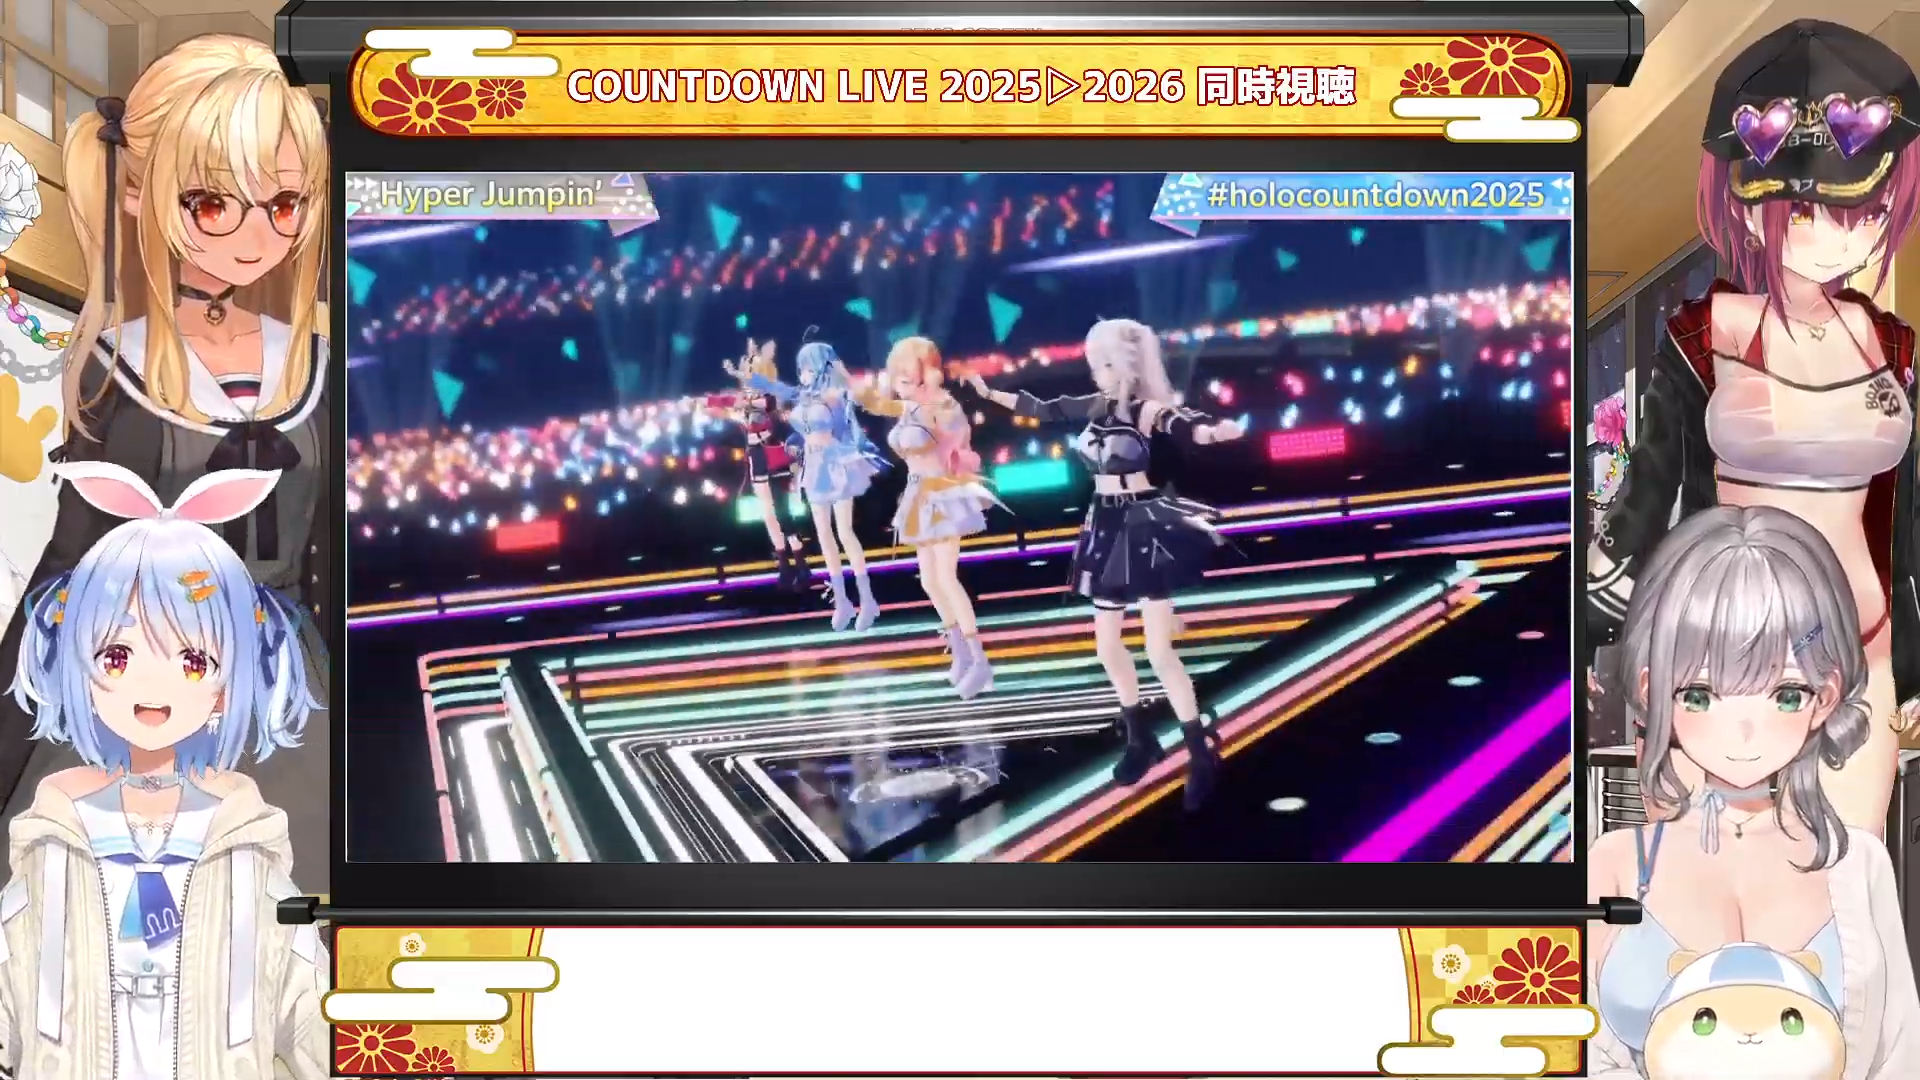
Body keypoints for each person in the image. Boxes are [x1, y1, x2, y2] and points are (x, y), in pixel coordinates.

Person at [0, 35, 332, 887]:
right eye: (215, 204)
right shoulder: (116, 363)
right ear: (137, 189)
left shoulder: (321, 367)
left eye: (285, 204)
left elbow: (331, 555)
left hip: (283, 688)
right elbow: (71, 561)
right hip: (137, 687)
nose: (257, 235)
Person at [1586, 19, 1920, 837]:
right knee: (1719, 873)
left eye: (1870, 208)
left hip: (1865, 649)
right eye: (1813, 210)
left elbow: (1908, 520)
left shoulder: (1893, 346)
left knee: (1849, 873)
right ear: (1749, 202)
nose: (1849, 232)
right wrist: (1596, 635)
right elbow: (1646, 498)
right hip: (1720, 652)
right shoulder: (1704, 336)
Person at [1, 462, 326, 1078]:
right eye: (117, 656)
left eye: (193, 660)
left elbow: (317, 1025)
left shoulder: (250, 857)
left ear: (228, 685)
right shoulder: (50, 851)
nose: (153, 685)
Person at [1587, 505, 1920, 1079]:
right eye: (1699, 694)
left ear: (1826, 697)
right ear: (1653, 690)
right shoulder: (1614, 864)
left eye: (1786, 694)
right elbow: (1563, 1044)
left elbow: (1898, 1055)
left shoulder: (1858, 865)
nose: (1743, 730)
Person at [967, 318, 1243, 809]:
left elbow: (1183, 424)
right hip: (1103, 525)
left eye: (1107, 364)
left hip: (1141, 525)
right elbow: (1043, 408)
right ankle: (1139, 736)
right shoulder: (1094, 406)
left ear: (1128, 366)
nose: (1098, 373)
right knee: (1107, 645)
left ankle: (1199, 750)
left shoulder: (1144, 409)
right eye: (1096, 364)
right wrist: (990, 394)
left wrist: (1214, 432)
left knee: (1158, 651)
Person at [850, 337, 1000, 698]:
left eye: (908, 374)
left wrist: (935, 399)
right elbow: (875, 403)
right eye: (898, 374)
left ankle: (980, 662)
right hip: (919, 495)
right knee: (930, 580)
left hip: (943, 494)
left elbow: (957, 436)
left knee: (946, 577)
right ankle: (961, 653)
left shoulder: (940, 405)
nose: (900, 381)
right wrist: (853, 386)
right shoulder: (908, 407)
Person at [751, 337, 886, 631]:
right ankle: (841, 601)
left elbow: (845, 417)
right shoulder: (804, 396)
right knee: (823, 534)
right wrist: (794, 441)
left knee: (844, 531)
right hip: (813, 466)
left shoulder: (835, 394)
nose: (803, 374)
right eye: (801, 369)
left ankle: (867, 599)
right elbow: (790, 408)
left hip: (836, 463)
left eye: (809, 368)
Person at [704, 338, 809, 593]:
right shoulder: (748, 398)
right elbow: (723, 405)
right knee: (768, 513)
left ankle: (800, 562)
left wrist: (733, 402)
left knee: (782, 512)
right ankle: (784, 565)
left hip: (774, 457)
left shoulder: (768, 399)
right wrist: (716, 402)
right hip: (757, 458)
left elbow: (753, 407)